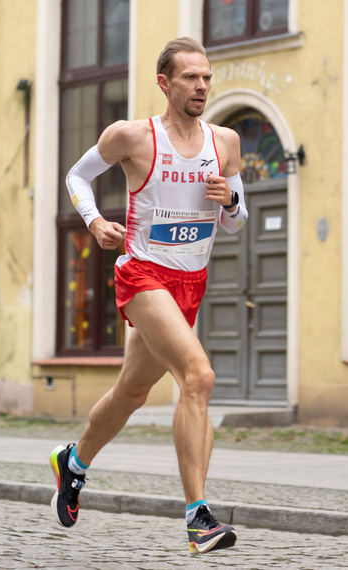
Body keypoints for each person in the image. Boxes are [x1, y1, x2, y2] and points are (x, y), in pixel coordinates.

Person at [49, 37, 247, 555]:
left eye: (206, 76)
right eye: (190, 77)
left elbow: (235, 223)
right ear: (165, 83)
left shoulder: (225, 142)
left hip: (190, 284)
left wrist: (230, 200)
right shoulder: (133, 137)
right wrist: (94, 222)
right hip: (142, 275)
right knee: (198, 377)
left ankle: (73, 462)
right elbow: (77, 175)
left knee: (131, 394)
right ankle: (198, 518)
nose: (201, 85)